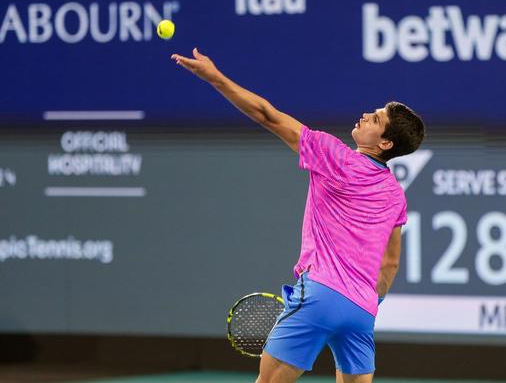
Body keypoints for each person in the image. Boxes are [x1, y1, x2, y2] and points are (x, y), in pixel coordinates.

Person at [171, 49, 425, 383]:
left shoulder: (334, 156)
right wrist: (366, 298)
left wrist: (214, 77)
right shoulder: (395, 195)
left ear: (386, 143)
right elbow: (390, 263)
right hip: (362, 309)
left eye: (375, 119)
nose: (365, 115)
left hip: (319, 294)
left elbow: (267, 115)